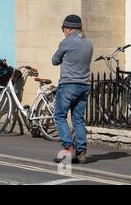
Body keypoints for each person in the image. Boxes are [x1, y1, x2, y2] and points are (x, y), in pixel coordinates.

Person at [52, 15, 93, 164]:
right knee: (78, 119)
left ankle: (69, 149)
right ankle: (81, 152)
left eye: (63, 29)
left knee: (59, 116)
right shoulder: (89, 43)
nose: (63, 32)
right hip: (85, 85)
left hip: (68, 85)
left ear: (68, 29)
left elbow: (54, 61)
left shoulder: (66, 42)